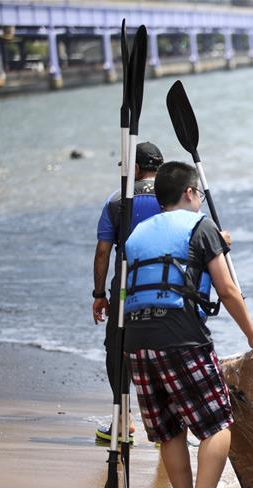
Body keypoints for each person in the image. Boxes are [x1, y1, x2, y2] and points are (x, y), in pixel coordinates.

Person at [123, 161, 253, 488]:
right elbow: (228, 290)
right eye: (198, 193)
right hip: (180, 335)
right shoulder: (202, 227)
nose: (200, 199)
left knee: (169, 432)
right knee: (217, 423)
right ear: (189, 193)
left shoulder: (136, 235)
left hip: (136, 340)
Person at [92, 141, 164, 442]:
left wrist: (98, 293)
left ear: (135, 168)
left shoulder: (117, 200)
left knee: (117, 346)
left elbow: (102, 252)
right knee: (163, 348)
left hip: (125, 284)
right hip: (165, 282)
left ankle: (124, 420)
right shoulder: (173, 197)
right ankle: (167, 426)